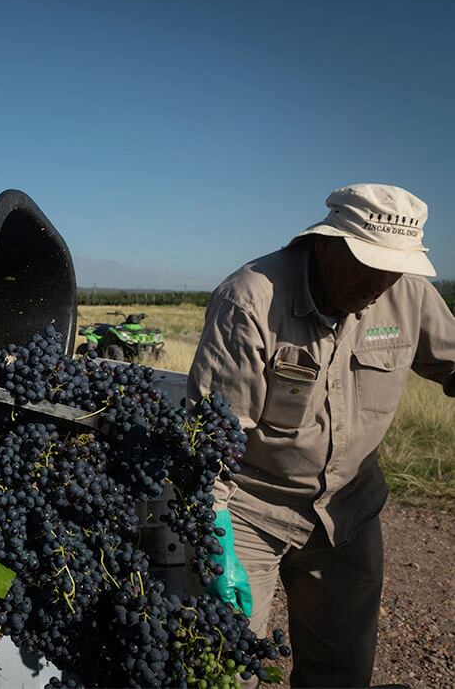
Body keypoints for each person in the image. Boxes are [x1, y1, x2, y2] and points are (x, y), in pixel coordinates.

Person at [188, 183, 454, 687]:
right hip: (251, 512)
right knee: (227, 668)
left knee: (342, 672)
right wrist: (216, 533)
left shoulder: (407, 292)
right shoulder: (250, 301)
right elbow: (211, 440)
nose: (381, 281)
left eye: (395, 267)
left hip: (347, 511)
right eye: (368, 263)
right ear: (327, 243)